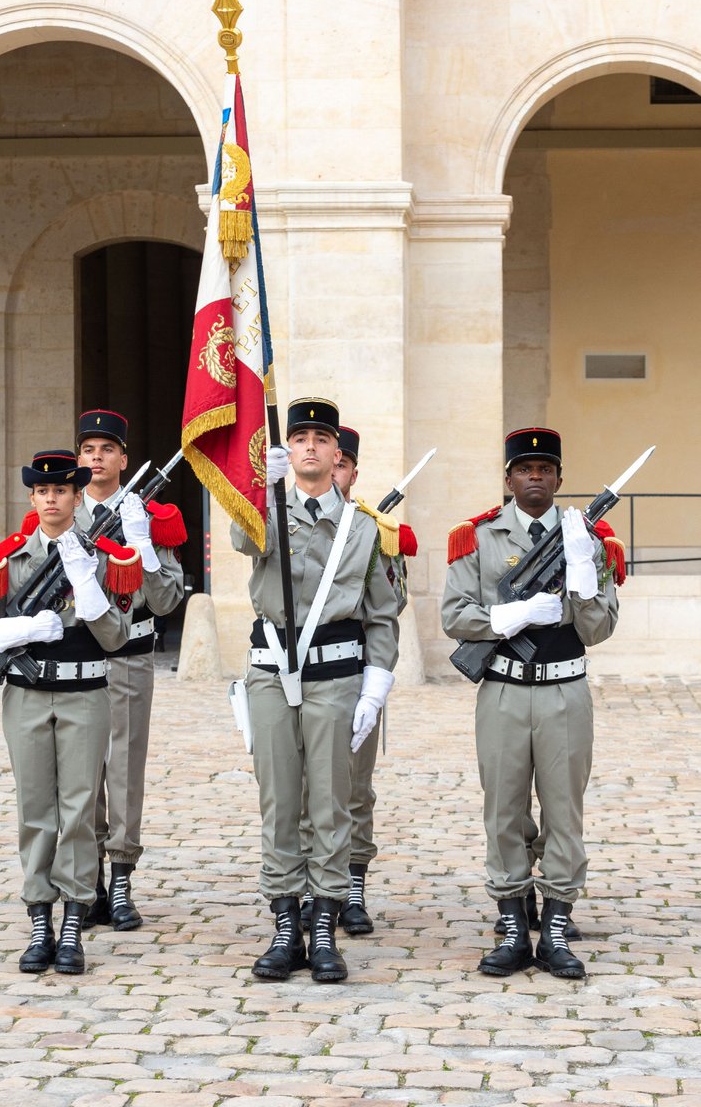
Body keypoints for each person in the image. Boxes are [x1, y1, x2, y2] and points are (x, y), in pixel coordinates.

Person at [441, 427, 622, 979]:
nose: (535, 477)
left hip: (565, 690)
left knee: (564, 810)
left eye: (545, 470)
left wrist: (585, 575)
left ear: (560, 478)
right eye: (525, 469)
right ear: (509, 478)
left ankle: (558, 927)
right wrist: (510, 617)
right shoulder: (478, 536)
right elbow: (454, 616)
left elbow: (599, 629)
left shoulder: (589, 538)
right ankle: (515, 922)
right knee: (505, 809)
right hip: (502, 688)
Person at [231, 397, 399, 982]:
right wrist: (260, 488)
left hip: (335, 677)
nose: (308, 446)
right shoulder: (267, 514)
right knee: (279, 801)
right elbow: (242, 540)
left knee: (330, 802)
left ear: (336, 454)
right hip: (273, 673)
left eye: (320, 439)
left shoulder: (364, 529)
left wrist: (377, 683)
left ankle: (323, 926)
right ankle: (285, 926)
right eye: (298, 437)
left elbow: (381, 613)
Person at [0, 449, 138, 975]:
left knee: (81, 809)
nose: (52, 499)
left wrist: (88, 586)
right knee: (36, 809)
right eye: (43, 491)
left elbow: (118, 637)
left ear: (77, 497)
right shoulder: (6, 558)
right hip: (26, 695)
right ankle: (40, 919)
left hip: (85, 695)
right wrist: (22, 630)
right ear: (32, 498)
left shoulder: (104, 556)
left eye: (61, 491)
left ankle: (74, 923)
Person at [300, 425, 418, 936]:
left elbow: (388, 609)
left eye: (344, 463)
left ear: (350, 471)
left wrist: (375, 685)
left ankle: (352, 886)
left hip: (356, 675)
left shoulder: (376, 529)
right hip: (302, 673)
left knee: (352, 788)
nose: (335, 468)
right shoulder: (296, 523)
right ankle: (309, 886)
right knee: (304, 787)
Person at [75, 409, 185, 931]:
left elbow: (166, 600)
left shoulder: (153, 516)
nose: (97, 459)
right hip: (77, 659)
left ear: (124, 458)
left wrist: (143, 545)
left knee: (123, 768)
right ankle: (87, 881)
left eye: (107, 450)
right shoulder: (60, 517)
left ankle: (120, 879)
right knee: (81, 772)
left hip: (130, 654)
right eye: (88, 450)